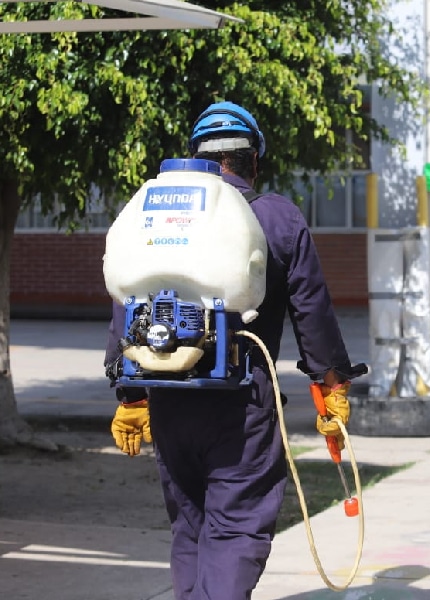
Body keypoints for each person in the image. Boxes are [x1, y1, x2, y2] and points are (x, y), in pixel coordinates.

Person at [104, 101, 366, 600]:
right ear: (255, 161)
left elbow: (126, 303)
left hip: (168, 400)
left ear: (196, 159)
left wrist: (130, 396)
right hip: (241, 404)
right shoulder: (276, 217)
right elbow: (311, 310)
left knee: (190, 527)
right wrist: (330, 384)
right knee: (237, 526)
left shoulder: (155, 218)